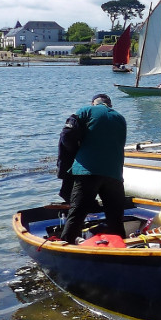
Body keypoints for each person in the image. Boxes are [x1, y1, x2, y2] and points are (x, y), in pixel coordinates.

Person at [58, 93, 128, 244]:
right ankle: (119, 248)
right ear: (110, 105)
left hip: (87, 171)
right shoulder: (121, 118)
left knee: (77, 213)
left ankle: (67, 243)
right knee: (116, 219)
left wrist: (74, 151)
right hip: (114, 174)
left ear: (93, 103)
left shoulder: (85, 111)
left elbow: (66, 134)